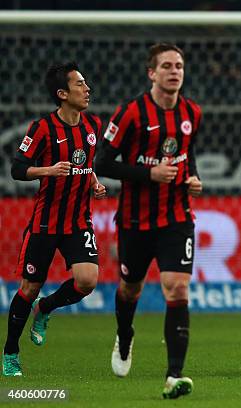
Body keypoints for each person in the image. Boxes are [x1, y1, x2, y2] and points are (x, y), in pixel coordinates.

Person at [95, 43, 202, 399]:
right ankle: (125, 335)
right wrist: (148, 173)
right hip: (135, 220)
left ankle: (174, 375)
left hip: (176, 217)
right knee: (130, 289)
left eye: (180, 66)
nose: (175, 71)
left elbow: (188, 155)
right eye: (167, 66)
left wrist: (192, 178)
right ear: (151, 73)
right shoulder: (130, 113)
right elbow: (102, 163)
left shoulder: (192, 113)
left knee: (177, 287)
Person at [2, 62, 106, 377]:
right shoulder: (43, 128)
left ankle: (47, 308)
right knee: (29, 288)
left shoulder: (93, 126)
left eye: (86, 83)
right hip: (45, 224)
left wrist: (94, 183)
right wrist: (47, 170)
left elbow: (85, 164)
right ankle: (10, 353)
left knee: (88, 280)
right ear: (62, 94)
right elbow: (17, 169)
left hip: (78, 221)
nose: (87, 89)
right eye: (79, 84)